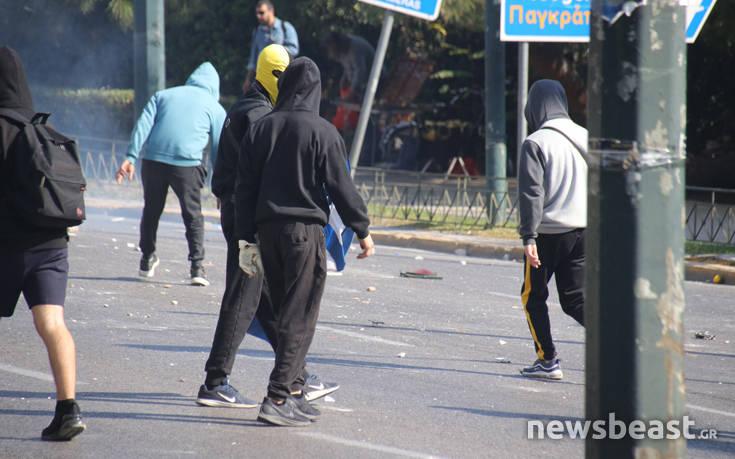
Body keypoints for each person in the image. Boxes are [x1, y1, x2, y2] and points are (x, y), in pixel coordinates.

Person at [196, 45, 339, 409]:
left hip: (240, 211)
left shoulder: (243, 107)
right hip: (252, 217)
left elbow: (226, 170)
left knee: (266, 302)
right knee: (244, 296)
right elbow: (261, 174)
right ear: (276, 76)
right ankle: (215, 381)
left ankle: (298, 376)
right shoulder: (261, 115)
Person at [235, 57, 374, 426]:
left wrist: (246, 240)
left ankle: (295, 392)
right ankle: (278, 396)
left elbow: (244, 189)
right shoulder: (323, 131)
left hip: (267, 232)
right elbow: (341, 187)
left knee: (286, 311)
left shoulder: (261, 129)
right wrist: (362, 230)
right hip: (303, 234)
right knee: (300, 315)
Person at [0, 45, 86, 441]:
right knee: (52, 323)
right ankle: (68, 409)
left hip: (7, 245)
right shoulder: (40, 129)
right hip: (52, 244)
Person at [116, 62, 226, 287]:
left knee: (151, 210)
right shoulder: (215, 108)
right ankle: (197, 267)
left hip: (153, 161)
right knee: (193, 215)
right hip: (187, 165)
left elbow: (143, 125)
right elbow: (218, 150)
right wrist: (220, 186)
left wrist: (131, 156)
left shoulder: (163, 96)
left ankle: (146, 259)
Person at [517, 79, 587, 380]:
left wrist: (528, 236)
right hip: (584, 231)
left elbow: (531, 193)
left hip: (548, 233)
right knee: (575, 299)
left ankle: (547, 360)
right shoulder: (585, 136)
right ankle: (618, 340)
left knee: (532, 297)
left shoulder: (536, 142)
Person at [242, 0, 299, 94]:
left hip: (281, 78)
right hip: (261, 81)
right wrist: (248, 80)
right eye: (257, 13)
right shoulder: (257, 31)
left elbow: (294, 49)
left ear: (271, 11)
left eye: (261, 13)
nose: (258, 16)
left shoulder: (285, 27)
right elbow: (253, 59)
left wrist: (276, 53)